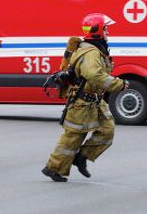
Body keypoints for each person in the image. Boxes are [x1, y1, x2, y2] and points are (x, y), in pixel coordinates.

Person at [42, 13, 128, 182]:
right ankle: (53, 168)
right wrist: (119, 84)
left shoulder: (97, 50)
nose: (108, 32)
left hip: (95, 100)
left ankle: (81, 157)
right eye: (106, 28)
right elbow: (94, 75)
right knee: (73, 136)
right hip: (81, 102)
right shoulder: (91, 52)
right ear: (97, 30)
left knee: (107, 131)